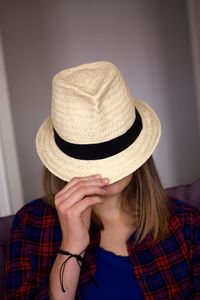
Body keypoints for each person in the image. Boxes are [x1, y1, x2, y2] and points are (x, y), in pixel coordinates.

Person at [5, 61, 200, 300]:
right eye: (91, 160)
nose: (104, 174)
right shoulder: (31, 224)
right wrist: (71, 248)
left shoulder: (187, 224)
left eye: (113, 157)